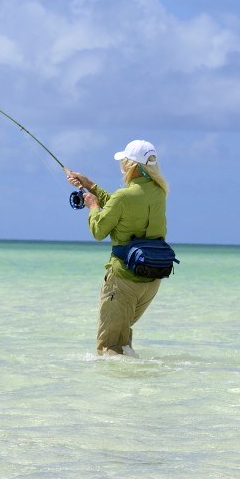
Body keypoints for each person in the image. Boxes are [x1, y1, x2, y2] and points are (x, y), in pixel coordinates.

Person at [66, 140, 169, 356]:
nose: (121, 165)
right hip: (151, 279)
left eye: (124, 161)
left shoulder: (124, 197)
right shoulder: (159, 192)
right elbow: (122, 205)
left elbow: (99, 230)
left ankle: (112, 388)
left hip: (123, 278)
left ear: (131, 165)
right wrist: (90, 185)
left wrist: (93, 206)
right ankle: (132, 388)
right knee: (123, 343)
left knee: (109, 347)